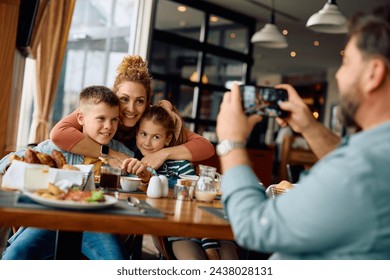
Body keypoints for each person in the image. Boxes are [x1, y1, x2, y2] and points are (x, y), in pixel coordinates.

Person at [216, 3, 390, 259]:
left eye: (345, 62)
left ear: (373, 73)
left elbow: (252, 227)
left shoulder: (361, 169)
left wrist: (231, 142)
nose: (339, 76)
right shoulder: (372, 157)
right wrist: (309, 126)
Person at [0, 85, 134, 260]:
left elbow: (143, 179)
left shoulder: (123, 153)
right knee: (16, 254)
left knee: (117, 261)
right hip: (49, 219)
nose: (108, 126)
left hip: (96, 224)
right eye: (101, 118)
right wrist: (22, 171)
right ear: (81, 118)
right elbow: (5, 163)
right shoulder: (59, 147)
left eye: (114, 119)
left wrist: (142, 173)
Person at [50, 55, 215, 170]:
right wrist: (112, 153)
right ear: (115, 96)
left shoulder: (151, 119)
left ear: (147, 103)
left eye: (139, 101)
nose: (131, 108)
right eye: (124, 99)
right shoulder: (102, 107)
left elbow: (205, 147)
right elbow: (59, 134)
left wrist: (164, 154)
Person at [123, 101, 238, 260]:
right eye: (143, 134)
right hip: (175, 231)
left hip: (201, 228)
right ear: (137, 133)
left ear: (168, 139)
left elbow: (195, 200)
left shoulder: (181, 165)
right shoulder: (136, 164)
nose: (147, 142)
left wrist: (208, 242)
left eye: (156, 137)